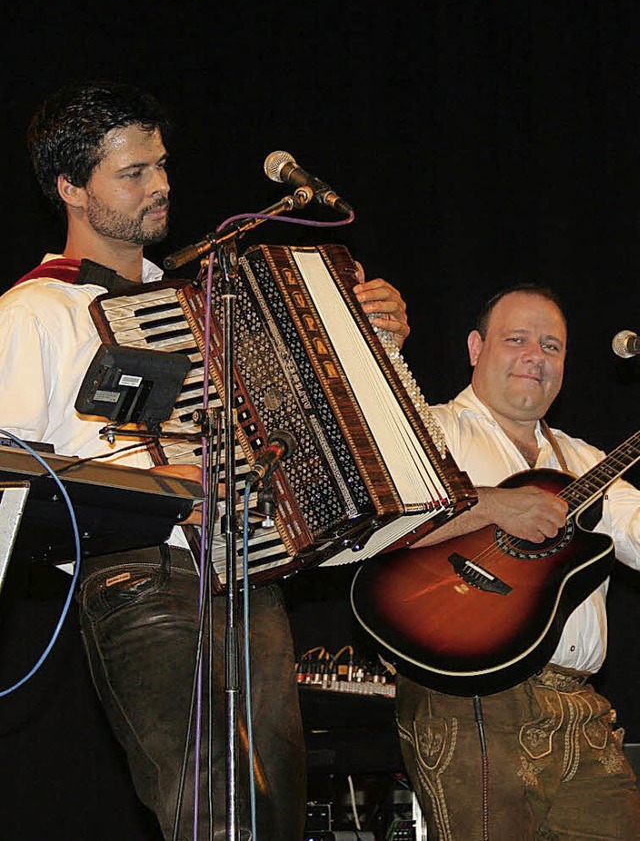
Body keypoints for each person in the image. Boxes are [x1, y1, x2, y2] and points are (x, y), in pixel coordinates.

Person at [0, 79, 410, 840]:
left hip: (246, 572)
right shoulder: (33, 311)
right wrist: (155, 488)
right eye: (133, 173)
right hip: (138, 576)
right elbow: (13, 473)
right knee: (212, 808)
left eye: (161, 165)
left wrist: (369, 334)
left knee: (274, 813)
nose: (160, 186)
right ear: (70, 188)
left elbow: (302, 416)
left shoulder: (207, 297)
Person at [391, 284, 640, 840]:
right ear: (476, 348)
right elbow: (380, 521)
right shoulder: (426, 431)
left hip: (581, 707)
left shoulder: (587, 461)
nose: (536, 356)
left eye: (551, 346)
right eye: (517, 339)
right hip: (469, 699)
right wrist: (497, 505)